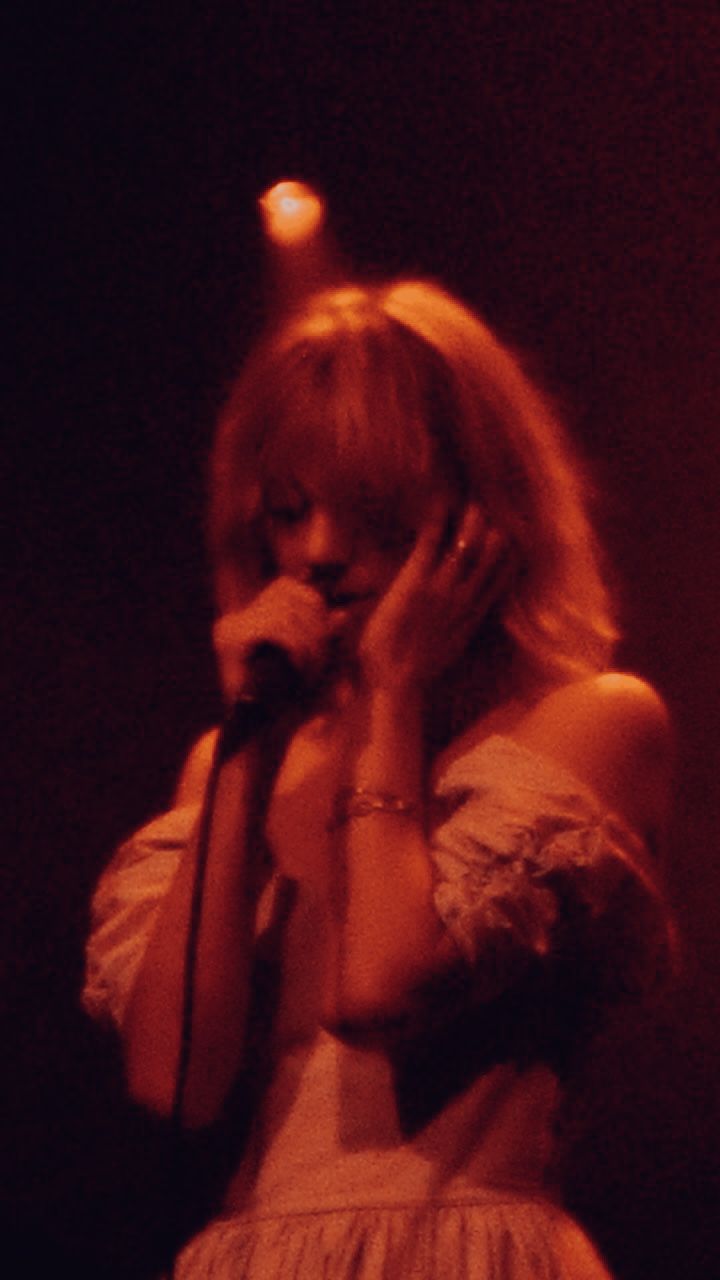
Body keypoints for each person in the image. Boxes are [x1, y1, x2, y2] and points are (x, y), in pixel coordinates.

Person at [83, 279, 674, 1278]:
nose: (318, 552)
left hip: (463, 1247)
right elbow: (173, 1079)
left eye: (367, 512)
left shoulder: (590, 721)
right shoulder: (235, 759)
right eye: (288, 510)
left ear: (481, 511)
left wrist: (395, 696)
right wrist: (242, 754)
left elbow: (384, 986)